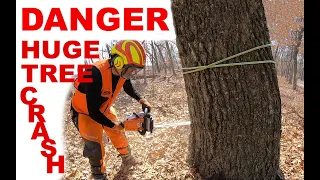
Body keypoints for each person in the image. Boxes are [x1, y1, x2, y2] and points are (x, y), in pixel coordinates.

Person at [70, 40, 152, 180]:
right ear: (118, 61)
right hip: (84, 112)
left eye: (135, 69)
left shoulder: (122, 72)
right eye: (131, 68)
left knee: (118, 133)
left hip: (104, 107)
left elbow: (128, 87)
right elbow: (93, 111)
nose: (132, 72)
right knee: (95, 148)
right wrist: (112, 124)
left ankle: (127, 157)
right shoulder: (93, 73)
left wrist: (141, 99)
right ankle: (99, 176)